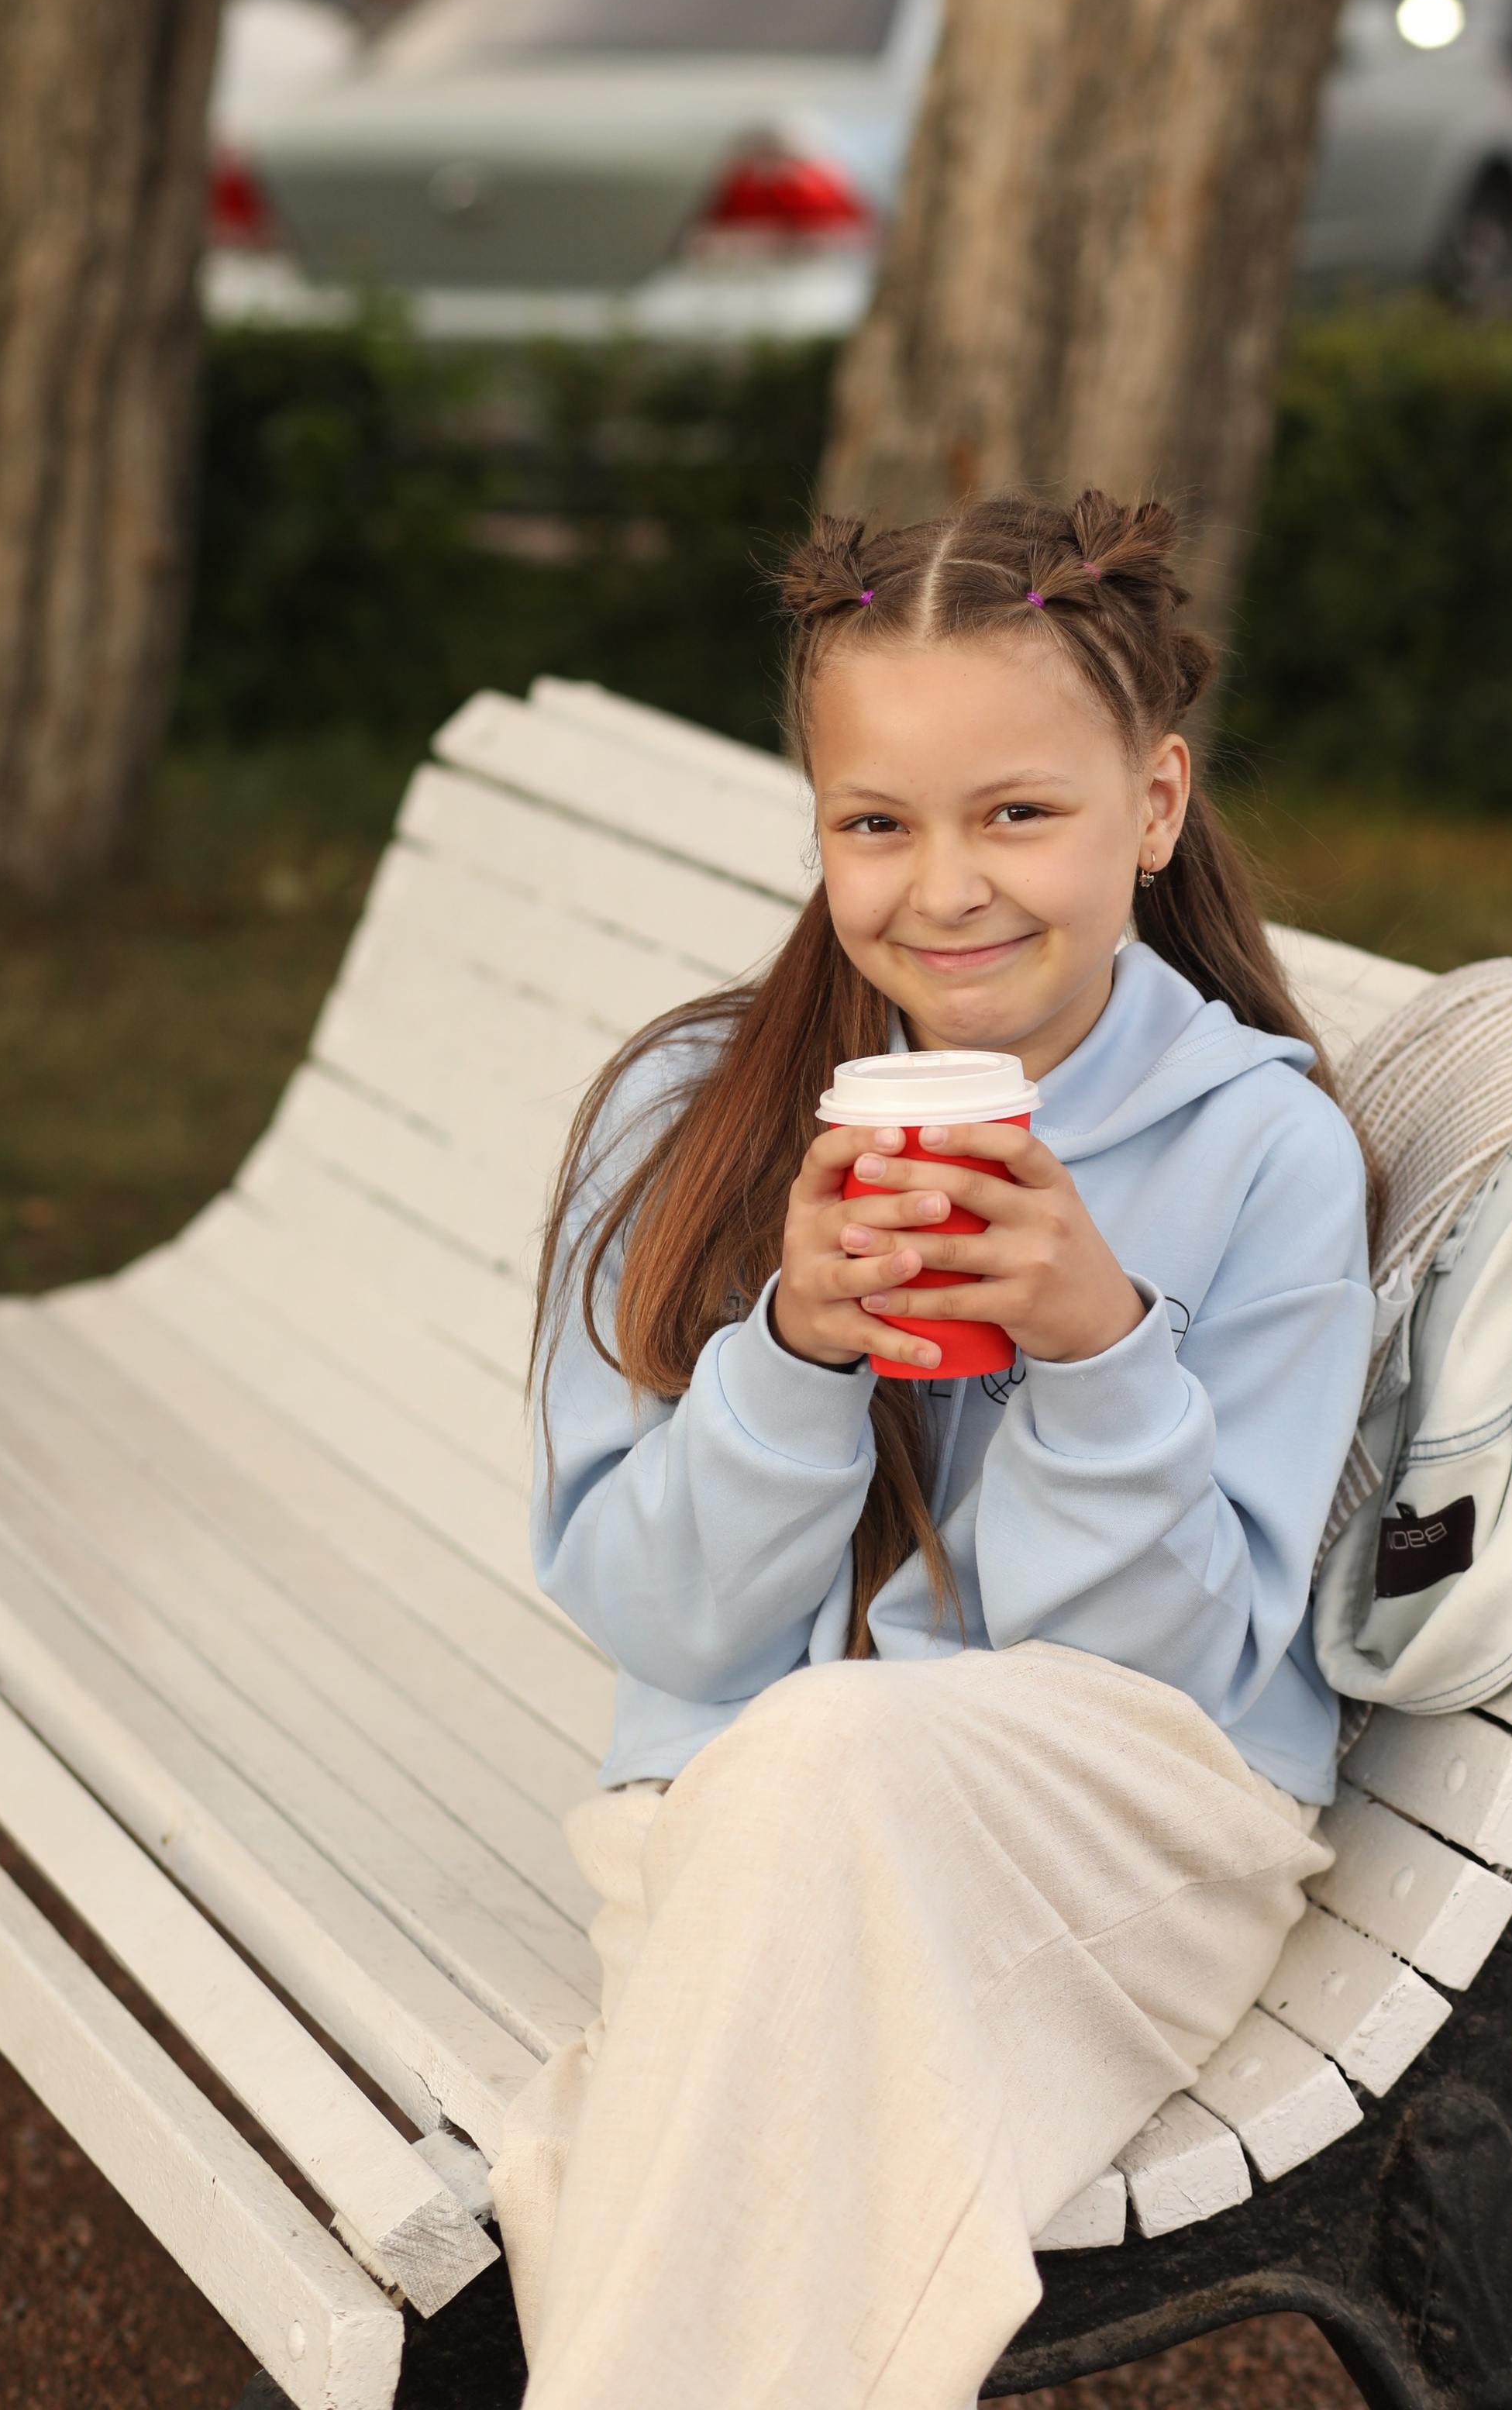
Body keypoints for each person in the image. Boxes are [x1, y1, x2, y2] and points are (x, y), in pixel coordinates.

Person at [492, 492, 1376, 2409]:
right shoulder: (688, 1117)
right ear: (815, 829)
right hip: (740, 1827)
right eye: (874, 824)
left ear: (1149, 809)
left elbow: (1157, 1688)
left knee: (804, 1808)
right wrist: (795, 1354)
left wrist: (1100, 1351)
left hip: (1122, 1839)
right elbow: (661, 1623)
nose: (943, 887)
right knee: (798, 1792)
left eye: (1017, 814)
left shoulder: (1258, 1155)